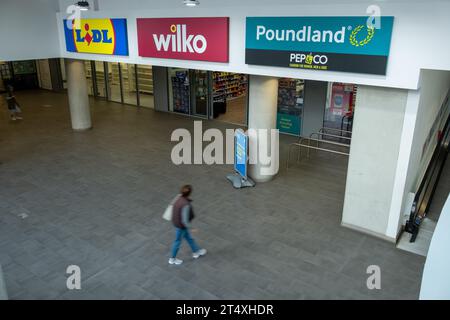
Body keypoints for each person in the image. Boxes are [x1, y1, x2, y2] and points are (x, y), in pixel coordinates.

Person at [169, 185, 206, 265]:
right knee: (177, 241)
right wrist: (192, 228)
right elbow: (185, 221)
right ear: (189, 193)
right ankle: (172, 259)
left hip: (176, 222)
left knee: (189, 238)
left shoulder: (178, 197)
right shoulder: (185, 204)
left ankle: (196, 252)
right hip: (181, 226)